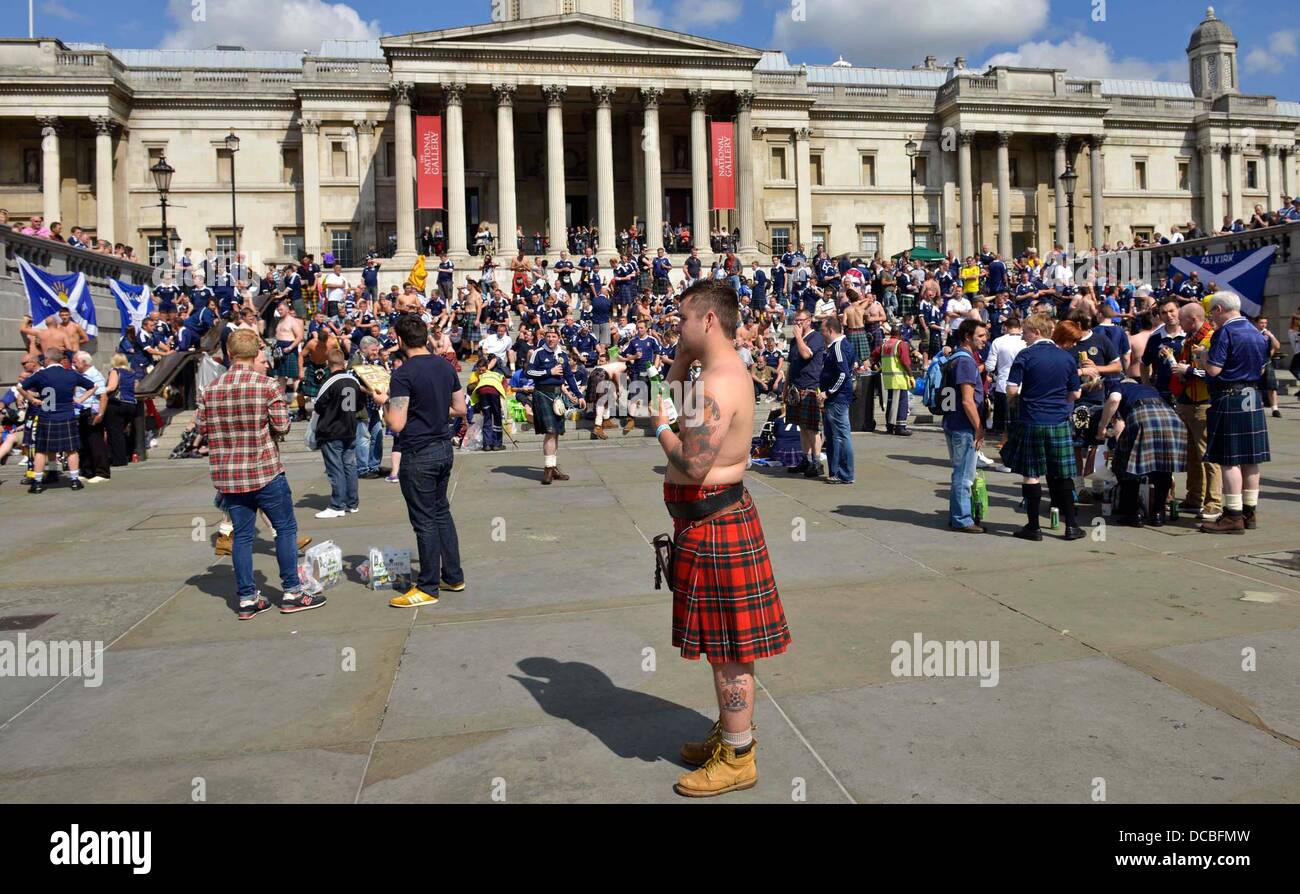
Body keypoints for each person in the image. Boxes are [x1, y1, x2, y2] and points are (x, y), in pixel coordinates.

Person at [649, 280, 791, 797]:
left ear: (708, 320)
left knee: (730, 648)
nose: (677, 328)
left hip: (715, 524)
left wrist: (659, 427)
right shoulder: (711, 373)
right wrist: (679, 361)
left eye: (684, 320)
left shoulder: (719, 384)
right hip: (707, 525)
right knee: (721, 644)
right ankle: (730, 733)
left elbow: (692, 459)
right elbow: (677, 395)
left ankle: (738, 755)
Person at [195, 329, 323, 618]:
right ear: (255, 355)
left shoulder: (211, 389)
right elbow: (281, 426)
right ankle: (292, 591)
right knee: (285, 529)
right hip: (264, 469)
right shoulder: (266, 385)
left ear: (230, 354)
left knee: (241, 536)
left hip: (229, 474)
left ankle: (247, 598)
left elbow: (202, 429)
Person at [371, 314, 466, 606]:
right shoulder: (444, 365)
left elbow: (396, 424)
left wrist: (383, 402)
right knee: (441, 513)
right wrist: (432, 411)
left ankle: (427, 586)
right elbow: (460, 408)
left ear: (399, 340)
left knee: (424, 520)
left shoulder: (403, 374)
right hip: (443, 448)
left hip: (418, 453)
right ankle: (452, 575)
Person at [1002, 314, 1084, 541]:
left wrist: (1016, 402)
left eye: (1025, 333)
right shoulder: (1066, 358)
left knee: (1031, 474)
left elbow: (1010, 390)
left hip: (1031, 421)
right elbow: (1075, 393)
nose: (1023, 338)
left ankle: (1034, 527)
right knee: (1063, 474)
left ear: (1036, 332)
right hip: (1058, 421)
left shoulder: (1026, 355)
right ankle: (1072, 527)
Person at [1200, 292, 1271, 534]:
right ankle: (1249, 513)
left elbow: (1214, 370)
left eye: (1212, 312)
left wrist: (1203, 357)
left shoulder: (1225, 332)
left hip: (1230, 396)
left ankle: (1232, 515)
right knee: (1252, 458)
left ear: (1220, 309)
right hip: (1252, 394)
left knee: (1229, 459)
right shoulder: (1257, 333)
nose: (1211, 317)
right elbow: (1262, 369)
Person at [1095, 377, 1187, 527]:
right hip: (1171, 418)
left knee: (1125, 464)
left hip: (1142, 416)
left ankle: (1132, 513)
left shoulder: (1120, 386)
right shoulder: (1150, 389)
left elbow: (1113, 400)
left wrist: (1102, 427)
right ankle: (1158, 513)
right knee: (1163, 467)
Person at [1170, 302, 1222, 523]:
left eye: (1182, 320)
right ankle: (1194, 497)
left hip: (1204, 402)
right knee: (1192, 454)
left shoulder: (1211, 339)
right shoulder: (1189, 340)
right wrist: (1181, 372)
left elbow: (1214, 372)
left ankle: (1214, 502)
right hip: (1187, 401)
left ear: (1192, 319)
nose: (1179, 324)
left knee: (1208, 455)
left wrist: (1189, 370)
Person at [20, 348, 97, 493]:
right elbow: (93, 386)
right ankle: (74, 480)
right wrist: (80, 399)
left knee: (42, 450)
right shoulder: (71, 374)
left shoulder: (41, 375)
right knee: (71, 450)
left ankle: (37, 483)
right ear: (61, 360)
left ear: (48, 360)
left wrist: (33, 399)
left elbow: (20, 387)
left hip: (46, 416)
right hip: (66, 415)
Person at [941, 319, 989, 533]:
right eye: (980, 336)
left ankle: (957, 515)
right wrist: (979, 427)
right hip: (963, 425)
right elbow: (967, 400)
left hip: (953, 422)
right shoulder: (966, 362)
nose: (984, 340)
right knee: (964, 475)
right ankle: (962, 518)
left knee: (960, 473)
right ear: (968, 337)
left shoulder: (956, 358)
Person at [525, 326, 587, 484]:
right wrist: (549, 372)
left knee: (556, 432)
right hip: (542, 394)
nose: (551, 339)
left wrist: (579, 395)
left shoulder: (563, 355)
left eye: (554, 336)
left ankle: (552, 468)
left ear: (559, 338)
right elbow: (529, 372)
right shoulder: (538, 353)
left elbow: (569, 377)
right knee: (551, 431)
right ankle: (548, 469)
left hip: (558, 395)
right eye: (548, 336)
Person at [311, 349, 362, 519]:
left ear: (328, 364)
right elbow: (360, 404)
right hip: (350, 428)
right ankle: (352, 502)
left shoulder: (330, 382)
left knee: (335, 469)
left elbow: (319, 406)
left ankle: (337, 505)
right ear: (344, 362)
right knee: (350, 466)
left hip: (332, 430)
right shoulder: (353, 381)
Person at [783, 309, 825, 477]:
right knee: (801, 427)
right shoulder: (794, 341)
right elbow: (791, 366)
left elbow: (806, 354)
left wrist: (799, 337)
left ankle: (817, 463)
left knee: (812, 428)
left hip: (809, 387)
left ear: (809, 320)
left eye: (800, 320)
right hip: (795, 388)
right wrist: (785, 388)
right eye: (795, 321)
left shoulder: (816, 337)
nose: (797, 323)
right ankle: (805, 460)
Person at [817, 315, 856, 484]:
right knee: (834, 435)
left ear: (831, 331)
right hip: (838, 397)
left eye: (823, 331)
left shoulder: (838, 347)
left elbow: (843, 374)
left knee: (840, 436)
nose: (822, 334)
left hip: (837, 399)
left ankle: (844, 473)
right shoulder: (842, 346)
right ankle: (837, 471)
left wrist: (828, 392)